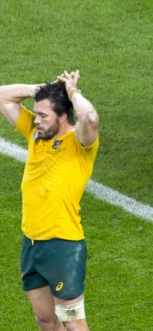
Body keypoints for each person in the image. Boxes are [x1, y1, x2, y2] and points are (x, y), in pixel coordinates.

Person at [0, 71, 99, 331]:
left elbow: (89, 117)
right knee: (45, 320)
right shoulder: (36, 133)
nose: (37, 120)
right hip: (31, 242)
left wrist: (72, 92)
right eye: (37, 114)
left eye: (44, 116)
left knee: (73, 323)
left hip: (62, 244)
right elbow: (2, 97)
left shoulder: (79, 143)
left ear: (64, 116)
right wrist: (40, 89)